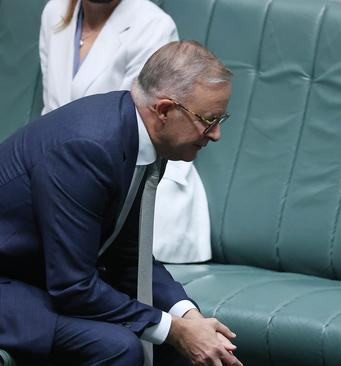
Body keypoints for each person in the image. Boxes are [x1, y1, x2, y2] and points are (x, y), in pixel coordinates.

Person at [0, 40, 241, 366]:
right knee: (119, 346)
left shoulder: (146, 138)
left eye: (219, 120)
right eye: (208, 120)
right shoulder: (87, 148)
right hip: (11, 282)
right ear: (165, 111)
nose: (215, 135)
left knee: (177, 343)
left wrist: (188, 316)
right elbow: (73, 286)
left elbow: (128, 256)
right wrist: (174, 330)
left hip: (40, 273)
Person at [40, 0, 212, 264]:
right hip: (70, 173)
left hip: (134, 183)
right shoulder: (55, 11)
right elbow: (51, 112)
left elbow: (133, 131)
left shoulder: (153, 25)